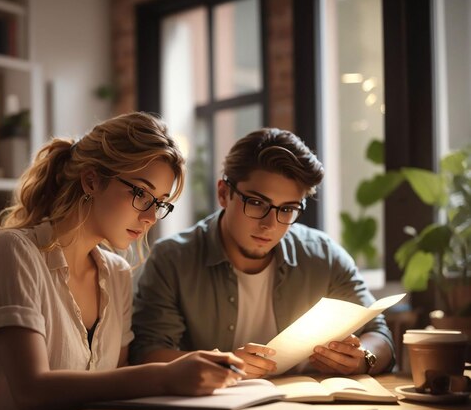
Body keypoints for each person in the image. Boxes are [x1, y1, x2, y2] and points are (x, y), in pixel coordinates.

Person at [0, 112, 245, 410]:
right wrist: (163, 378)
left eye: (159, 203)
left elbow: (116, 390)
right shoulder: (13, 251)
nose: (149, 217)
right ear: (91, 181)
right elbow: (31, 392)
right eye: (142, 194)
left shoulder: (116, 273)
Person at [130, 127, 395, 378]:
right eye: (256, 203)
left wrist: (363, 359)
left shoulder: (323, 256)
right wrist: (223, 363)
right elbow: (147, 352)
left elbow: (379, 334)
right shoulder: (172, 259)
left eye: (287, 209)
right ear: (224, 194)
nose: (270, 224)